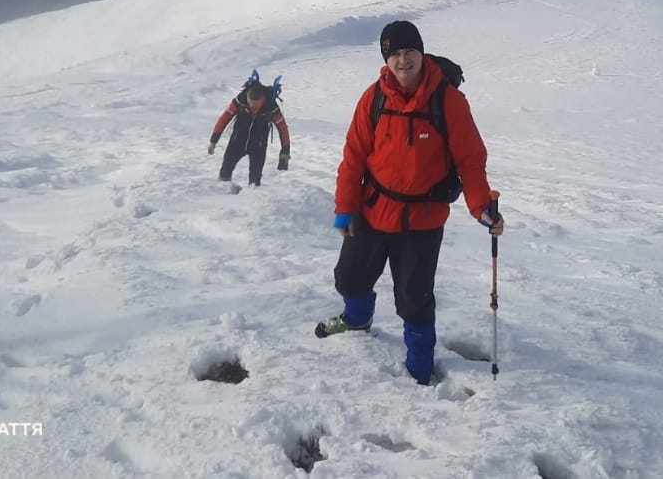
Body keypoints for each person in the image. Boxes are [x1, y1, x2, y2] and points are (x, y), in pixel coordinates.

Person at [315, 20, 504, 385]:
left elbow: (470, 158)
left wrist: (481, 206)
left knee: (414, 298)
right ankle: (357, 318)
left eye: (409, 52)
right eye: (395, 54)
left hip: (423, 218)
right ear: (386, 60)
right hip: (374, 209)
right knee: (350, 277)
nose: (403, 61)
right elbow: (354, 157)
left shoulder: (447, 100)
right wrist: (345, 209)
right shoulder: (374, 98)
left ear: (421, 53)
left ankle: (420, 361)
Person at [208, 79, 291, 187]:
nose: (251, 106)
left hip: (258, 146)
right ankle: (221, 197)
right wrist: (213, 141)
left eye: (255, 104)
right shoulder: (240, 100)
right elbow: (224, 118)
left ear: (262, 99)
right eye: (250, 102)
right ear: (247, 95)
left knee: (255, 181)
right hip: (236, 142)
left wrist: (285, 152)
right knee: (225, 172)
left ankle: (252, 200)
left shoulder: (271, 107)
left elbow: (283, 128)